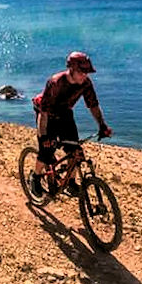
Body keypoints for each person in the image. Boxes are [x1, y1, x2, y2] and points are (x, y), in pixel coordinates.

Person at [30, 51, 113, 197]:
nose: (85, 75)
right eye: (82, 72)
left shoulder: (86, 83)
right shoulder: (56, 82)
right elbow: (43, 114)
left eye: (87, 72)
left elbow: (93, 105)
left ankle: (71, 182)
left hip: (64, 113)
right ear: (72, 70)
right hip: (46, 114)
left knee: (76, 152)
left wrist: (102, 125)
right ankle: (35, 177)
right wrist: (43, 137)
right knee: (46, 151)